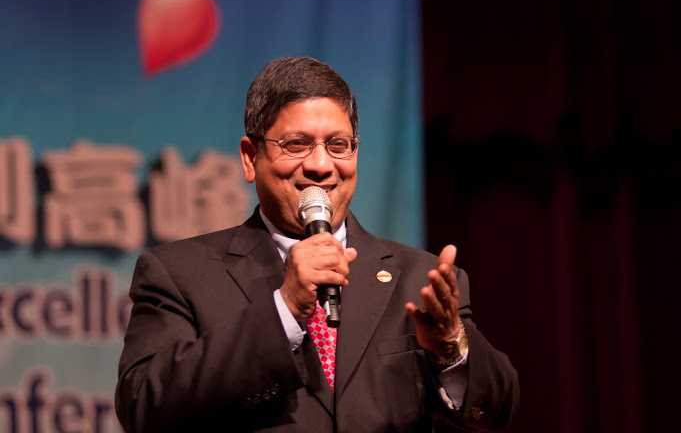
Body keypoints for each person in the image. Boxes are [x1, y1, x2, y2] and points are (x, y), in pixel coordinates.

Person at [115, 56, 518, 432]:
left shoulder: (420, 279)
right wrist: (284, 310)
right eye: (297, 144)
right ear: (251, 157)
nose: (321, 165)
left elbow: (497, 412)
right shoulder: (179, 274)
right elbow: (142, 405)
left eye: (338, 145)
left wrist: (451, 349)